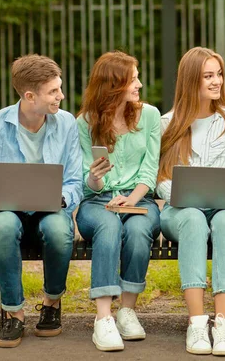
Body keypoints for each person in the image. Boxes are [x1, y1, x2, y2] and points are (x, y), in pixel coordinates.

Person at [0, 54, 83, 348]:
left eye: (59, 88)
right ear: (29, 96)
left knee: (57, 229)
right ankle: (14, 314)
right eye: (53, 91)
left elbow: (75, 181)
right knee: (4, 223)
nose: (61, 96)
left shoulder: (66, 125)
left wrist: (61, 198)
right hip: (5, 213)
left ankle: (51, 305)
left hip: (50, 209)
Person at [157, 47, 225, 356]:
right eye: (208, 76)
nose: (216, 82)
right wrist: (186, 198)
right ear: (190, 81)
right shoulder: (167, 123)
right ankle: (197, 322)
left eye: (219, 74)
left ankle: (222, 323)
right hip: (181, 212)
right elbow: (160, 179)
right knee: (195, 219)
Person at [75, 51, 161, 352]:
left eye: (137, 77)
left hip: (139, 199)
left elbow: (150, 169)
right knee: (108, 226)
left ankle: (126, 309)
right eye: (132, 79)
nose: (139, 84)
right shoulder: (85, 122)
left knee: (138, 231)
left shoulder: (149, 115)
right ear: (113, 85)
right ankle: (103, 319)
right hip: (97, 202)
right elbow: (89, 183)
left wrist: (132, 198)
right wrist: (96, 178)